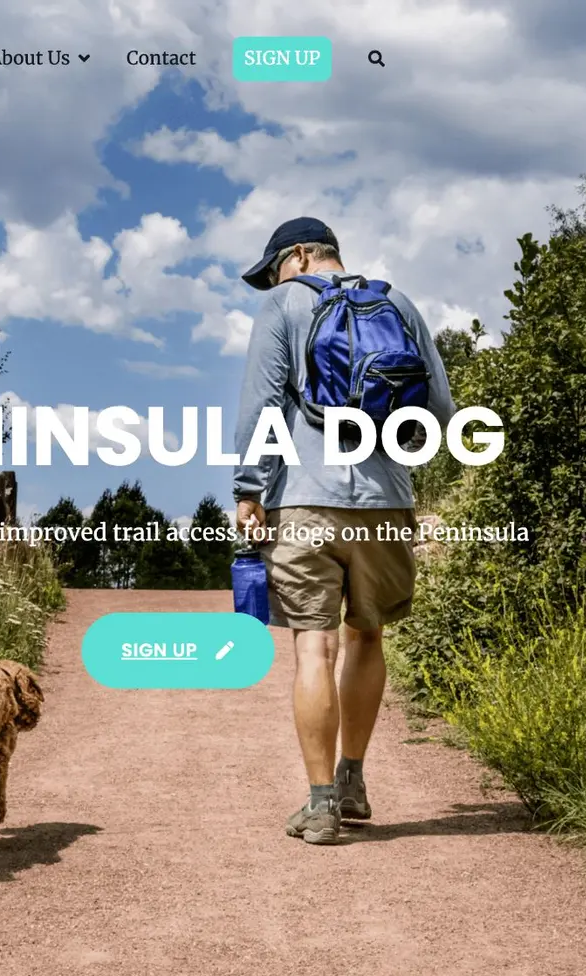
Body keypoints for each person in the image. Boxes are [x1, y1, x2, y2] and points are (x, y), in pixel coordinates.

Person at [231, 217, 456, 846]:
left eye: (274, 267)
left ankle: (322, 804)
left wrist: (249, 488)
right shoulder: (397, 301)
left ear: (300, 256)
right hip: (385, 498)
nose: (272, 281)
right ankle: (354, 778)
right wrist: (393, 458)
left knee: (313, 648)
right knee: (368, 636)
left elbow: (263, 404)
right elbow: (439, 410)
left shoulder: (284, 304)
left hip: (302, 499)